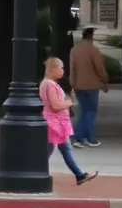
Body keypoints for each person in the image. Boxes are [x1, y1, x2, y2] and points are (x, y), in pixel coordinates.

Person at [41, 57, 98, 186]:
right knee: (50, 151)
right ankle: (36, 173)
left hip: (55, 123)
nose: (62, 71)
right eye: (60, 68)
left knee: (60, 150)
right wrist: (68, 103)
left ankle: (79, 175)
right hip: (55, 123)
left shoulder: (47, 84)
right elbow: (55, 106)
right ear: (53, 69)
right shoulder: (50, 85)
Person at [69, 27, 109, 148]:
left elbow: (72, 68)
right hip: (92, 85)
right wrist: (105, 80)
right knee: (91, 111)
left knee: (84, 111)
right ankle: (87, 137)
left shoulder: (74, 50)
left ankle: (81, 137)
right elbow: (100, 69)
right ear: (90, 36)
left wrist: (73, 84)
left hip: (78, 85)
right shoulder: (94, 50)